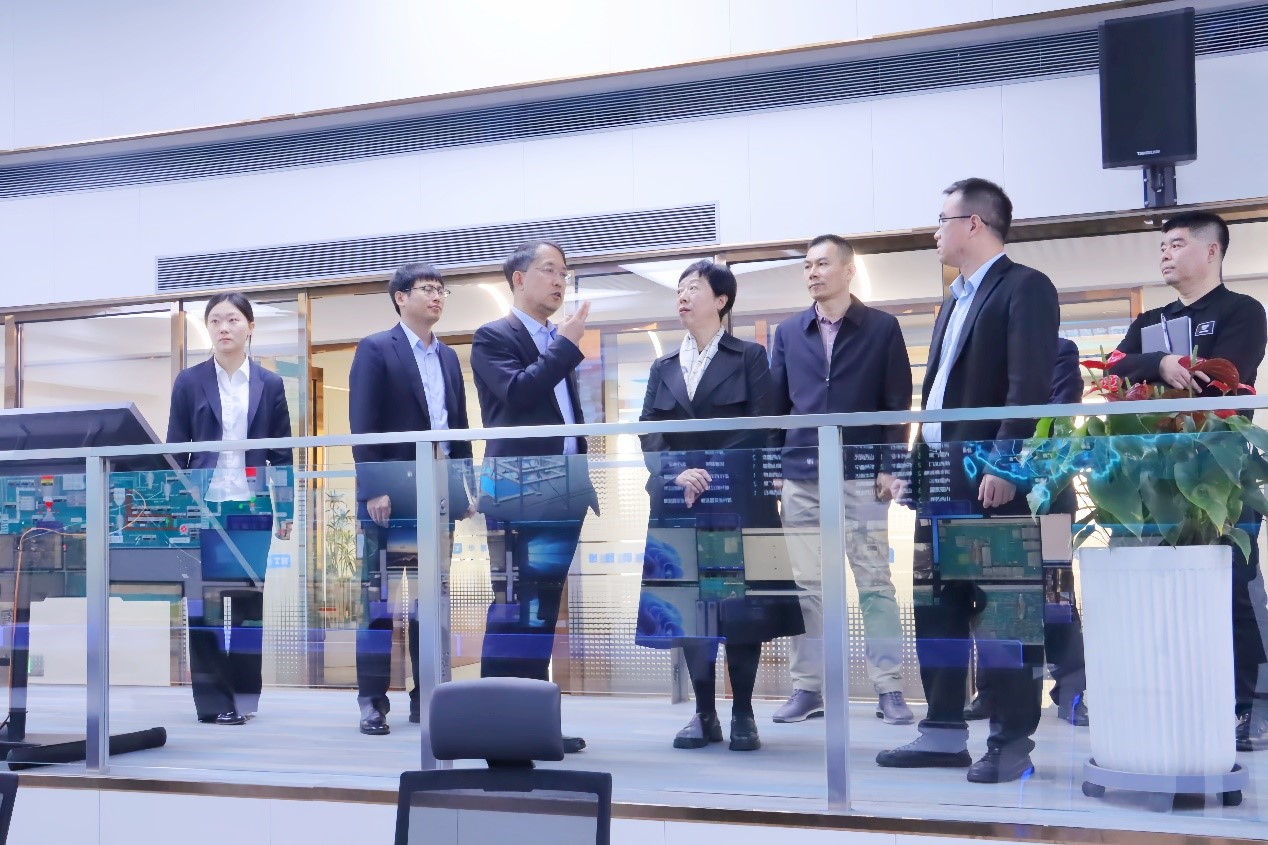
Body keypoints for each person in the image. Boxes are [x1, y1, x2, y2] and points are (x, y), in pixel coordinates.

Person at [877, 177, 1059, 783]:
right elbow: (936, 397)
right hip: (939, 477)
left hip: (989, 477)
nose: (935, 231)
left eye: (943, 219)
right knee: (938, 610)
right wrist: (914, 466)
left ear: (974, 224)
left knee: (1003, 615)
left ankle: (1010, 743)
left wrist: (1005, 465)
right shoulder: (953, 298)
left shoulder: (1025, 287)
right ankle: (942, 733)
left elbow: (1028, 387)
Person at [1106, 210, 1268, 752]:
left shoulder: (1243, 311)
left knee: (1236, 586)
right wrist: (1161, 362)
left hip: (1221, 470)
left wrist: (1173, 373)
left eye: (1176, 244)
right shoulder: (1151, 320)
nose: (1165, 254)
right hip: (1155, 474)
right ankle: (1176, 696)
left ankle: (1252, 706)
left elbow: (1225, 378)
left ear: (1212, 251)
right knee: (1162, 590)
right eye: (1162, 247)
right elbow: (1115, 366)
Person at [637, 260, 803, 751]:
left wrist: (705, 471)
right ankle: (703, 713)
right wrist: (676, 472)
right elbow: (648, 431)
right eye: (680, 289)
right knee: (691, 610)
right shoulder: (663, 366)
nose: (683, 297)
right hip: (678, 502)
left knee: (739, 611)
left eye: (694, 288)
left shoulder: (749, 356)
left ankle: (743, 712)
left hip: (736, 501)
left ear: (721, 300)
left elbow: (761, 427)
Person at [768, 234, 915, 726]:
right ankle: (808, 687)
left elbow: (896, 404)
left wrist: (891, 466)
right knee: (808, 587)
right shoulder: (789, 332)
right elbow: (775, 407)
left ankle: (889, 686)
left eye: (822, 264)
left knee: (875, 583)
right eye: (807, 265)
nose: (812, 272)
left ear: (848, 270)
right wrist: (774, 470)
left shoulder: (882, 328)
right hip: (801, 475)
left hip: (861, 476)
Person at [470, 240, 598, 754]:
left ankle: (534, 722)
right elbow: (519, 393)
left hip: (562, 489)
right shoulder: (493, 336)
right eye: (549, 270)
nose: (559, 280)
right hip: (517, 489)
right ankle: (496, 727)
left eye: (564, 272)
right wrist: (564, 345)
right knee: (511, 608)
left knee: (542, 610)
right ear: (519, 278)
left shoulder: (555, 340)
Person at [348, 262, 475, 736]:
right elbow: (363, 424)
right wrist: (374, 487)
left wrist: (465, 488)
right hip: (389, 496)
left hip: (437, 495)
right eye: (427, 289)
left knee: (430, 602)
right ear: (400, 297)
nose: (436, 296)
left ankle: (428, 697)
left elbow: (457, 427)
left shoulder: (448, 357)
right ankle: (372, 702)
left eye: (441, 290)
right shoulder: (376, 348)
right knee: (378, 603)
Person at [167, 292, 294, 726]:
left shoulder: (269, 383)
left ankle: (242, 698)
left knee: (247, 607)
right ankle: (212, 701)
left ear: (250, 327)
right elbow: (175, 450)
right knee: (200, 606)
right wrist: (174, 510)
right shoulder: (189, 381)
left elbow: (282, 453)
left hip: (250, 507)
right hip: (201, 507)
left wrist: (286, 508)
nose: (224, 328)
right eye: (216, 320)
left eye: (233, 320)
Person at [964, 336, 1088, 727]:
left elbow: (1057, 419)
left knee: (1056, 595)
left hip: (1047, 496)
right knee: (993, 597)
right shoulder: (985, 352)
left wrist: (1010, 470)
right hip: (989, 498)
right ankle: (992, 691)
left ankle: (1071, 692)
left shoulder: (1059, 349)